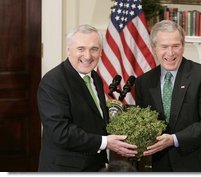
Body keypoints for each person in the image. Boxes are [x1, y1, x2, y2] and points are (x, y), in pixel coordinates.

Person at [37, 24, 137, 172]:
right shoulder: (53, 81)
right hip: (65, 169)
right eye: (81, 49)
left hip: (94, 166)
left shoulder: (94, 77)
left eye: (94, 49)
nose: (88, 56)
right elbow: (61, 132)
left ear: (101, 52)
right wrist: (105, 142)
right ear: (68, 50)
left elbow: (95, 121)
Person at [135, 20, 201, 172]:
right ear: (153, 48)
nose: (170, 53)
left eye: (176, 46)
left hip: (199, 166)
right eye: (164, 47)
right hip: (161, 166)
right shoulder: (144, 82)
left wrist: (173, 140)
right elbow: (143, 123)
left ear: (183, 46)